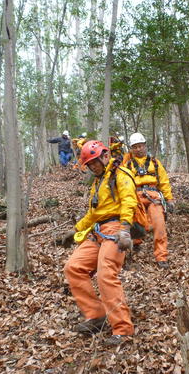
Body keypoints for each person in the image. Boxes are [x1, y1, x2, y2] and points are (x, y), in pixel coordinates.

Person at [63, 140, 137, 346]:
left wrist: (125, 229)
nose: (92, 167)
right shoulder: (98, 182)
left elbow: (129, 201)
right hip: (97, 232)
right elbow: (93, 214)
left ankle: (123, 329)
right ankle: (96, 316)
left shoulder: (120, 175)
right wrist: (75, 230)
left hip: (115, 229)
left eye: (94, 162)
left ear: (105, 156)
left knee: (106, 274)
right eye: (89, 164)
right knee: (73, 267)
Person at [123, 132, 175, 269]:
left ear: (145, 146)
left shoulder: (155, 163)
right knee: (134, 222)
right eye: (135, 147)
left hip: (154, 197)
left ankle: (161, 256)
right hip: (135, 197)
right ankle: (136, 243)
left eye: (140, 146)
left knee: (159, 225)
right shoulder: (127, 164)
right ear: (131, 149)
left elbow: (164, 181)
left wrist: (169, 199)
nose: (138, 149)